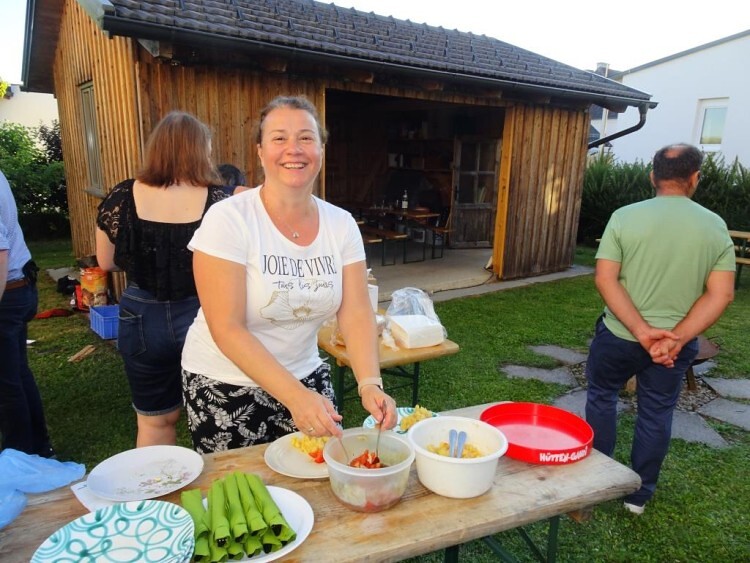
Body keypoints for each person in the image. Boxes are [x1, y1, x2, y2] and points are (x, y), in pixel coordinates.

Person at [181, 95, 397, 453]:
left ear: (321, 150)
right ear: (260, 151)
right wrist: (295, 397)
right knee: (244, 486)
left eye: (306, 138)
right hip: (226, 384)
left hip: (306, 376)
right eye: (279, 138)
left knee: (322, 480)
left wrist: (369, 383)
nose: (293, 149)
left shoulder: (341, 224)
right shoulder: (229, 219)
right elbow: (227, 328)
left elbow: (356, 310)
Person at [585, 143, 735, 515]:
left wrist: (640, 331)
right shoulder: (715, 226)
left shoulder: (624, 217)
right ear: (695, 178)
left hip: (619, 336)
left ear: (652, 176)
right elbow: (721, 294)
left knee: (602, 397)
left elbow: (605, 279)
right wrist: (676, 339)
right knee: (655, 413)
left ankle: (596, 481)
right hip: (673, 349)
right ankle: (638, 496)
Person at [96, 111, 228, 447]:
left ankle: (157, 482)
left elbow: (106, 261)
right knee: (215, 418)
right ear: (200, 150)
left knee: (154, 422)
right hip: (203, 313)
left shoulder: (123, 194)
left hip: (141, 315)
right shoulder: (219, 201)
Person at [0, 170, 54, 458]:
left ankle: (18, 459)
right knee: (15, 373)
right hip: (18, 286)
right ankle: (38, 449)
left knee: (6, 384)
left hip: (7, 291)